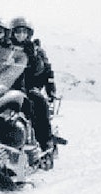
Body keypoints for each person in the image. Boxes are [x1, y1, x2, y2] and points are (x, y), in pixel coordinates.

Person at [7, 16, 62, 150]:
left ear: (29, 34)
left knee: (38, 103)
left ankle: (45, 141)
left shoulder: (36, 50)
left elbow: (43, 69)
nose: (21, 35)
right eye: (18, 31)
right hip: (6, 86)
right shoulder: (6, 48)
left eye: (24, 32)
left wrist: (32, 56)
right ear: (12, 33)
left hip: (28, 87)